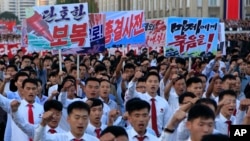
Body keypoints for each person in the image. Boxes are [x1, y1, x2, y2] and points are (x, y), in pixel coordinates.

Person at [126, 71, 171, 136]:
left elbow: (167, 124)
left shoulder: (164, 102)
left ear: (159, 84)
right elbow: (130, 92)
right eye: (150, 81)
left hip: (159, 137)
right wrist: (135, 79)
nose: (153, 84)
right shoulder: (139, 97)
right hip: (142, 136)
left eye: (155, 82)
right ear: (145, 84)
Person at [34, 101, 99, 141]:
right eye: (77, 117)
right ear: (68, 119)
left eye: (84, 118)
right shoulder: (57, 138)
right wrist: (43, 123)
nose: (81, 122)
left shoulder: (94, 140)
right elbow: (38, 139)